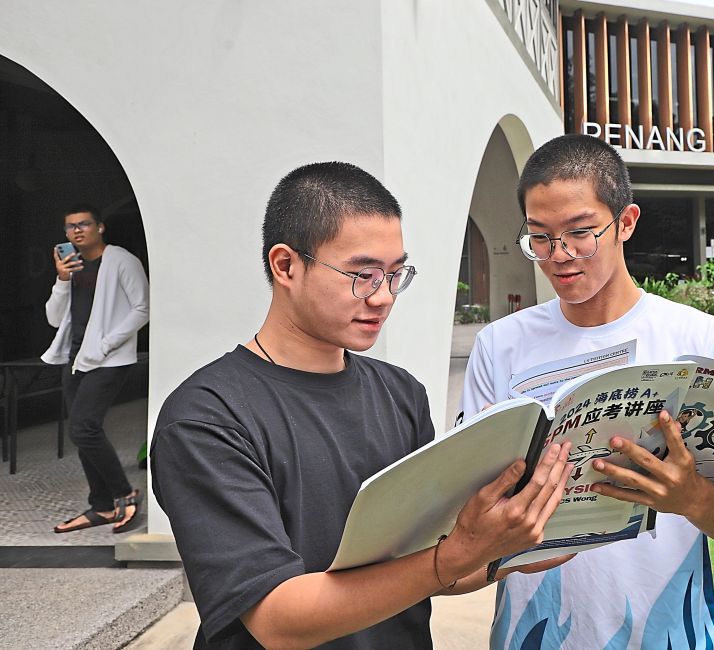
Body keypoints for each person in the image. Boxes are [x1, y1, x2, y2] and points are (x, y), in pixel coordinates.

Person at [151, 162, 570, 650]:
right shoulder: (207, 417)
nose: (384, 297)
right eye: (363, 274)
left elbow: (430, 569)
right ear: (286, 265)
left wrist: (507, 549)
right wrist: (450, 558)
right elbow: (275, 619)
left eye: (396, 275)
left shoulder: (400, 394)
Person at [461, 135, 714, 649]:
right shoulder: (500, 345)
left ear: (625, 222)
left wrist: (689, 496)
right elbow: (469, 516)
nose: (559, 256)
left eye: (581, 232)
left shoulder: (700, 341)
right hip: (531, 631)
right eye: (539, 237)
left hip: (666, 630)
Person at [45, 204, 149, 534]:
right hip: (75, 357)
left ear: (99, 227)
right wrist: (62, 280)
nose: (77, 231)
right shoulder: (72, 266)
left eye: (84, 224)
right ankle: (102, 506)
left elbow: (142, 307)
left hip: (109, 359)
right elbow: (54, 318)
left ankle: (125, 495)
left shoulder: (121, 260)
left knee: (84, 428)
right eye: (71, 227)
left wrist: (107, 343)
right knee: (81, 431)